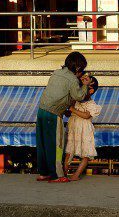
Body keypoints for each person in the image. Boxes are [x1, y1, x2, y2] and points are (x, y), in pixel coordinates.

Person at [36, 52, 91, 183]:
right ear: (78, 68)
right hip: (53, 114)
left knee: (42, 144)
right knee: (55, 145)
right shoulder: (72, 79)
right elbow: (78, 96)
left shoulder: (56, 72)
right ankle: (57, 175)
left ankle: (44, 173)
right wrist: (85, 84)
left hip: (41, 111)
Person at [64, 76, 101, 181]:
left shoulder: (91, 104)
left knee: (86, 153)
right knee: (69, 151)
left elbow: (86, 116)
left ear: (91, 90)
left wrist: (72, 109)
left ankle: (76, 175)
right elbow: (67, 113)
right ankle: (64, 173)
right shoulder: (76, 100)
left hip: (85, 129)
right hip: (73, 127)